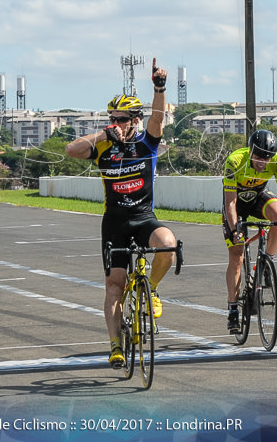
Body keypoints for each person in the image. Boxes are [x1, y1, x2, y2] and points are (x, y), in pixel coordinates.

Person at [64, 59, 177, 370]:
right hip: (114, 222)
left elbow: (158, 116)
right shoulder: (103, 147)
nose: (117, 123)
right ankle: (115, 345)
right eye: (112, 118)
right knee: (115, 284)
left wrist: (159, 87)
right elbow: (70, 150)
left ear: (135, 120)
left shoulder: (147, 143)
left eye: (122, 119)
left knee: (168, 244)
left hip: (143, 217)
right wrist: (104, 136)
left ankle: (151, 289)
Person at [222, 128, 277, 333]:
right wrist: (234, 230)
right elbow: (230, 202)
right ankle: (232, 309)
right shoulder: (234, 161)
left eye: (267, 158)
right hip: (236, 203)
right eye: (258, 157)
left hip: (258, 197)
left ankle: (266, 262)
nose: (262, 162)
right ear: (250, 151)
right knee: (237, 255)